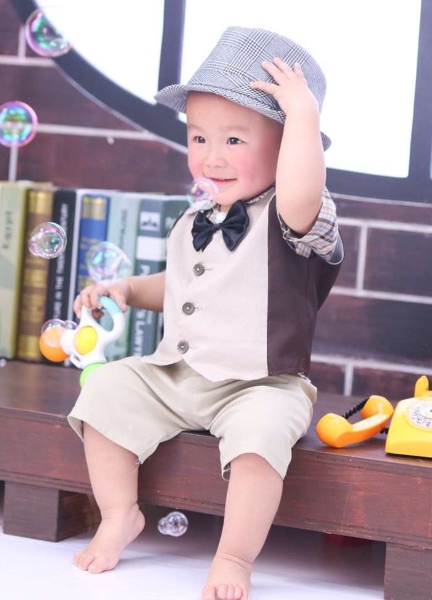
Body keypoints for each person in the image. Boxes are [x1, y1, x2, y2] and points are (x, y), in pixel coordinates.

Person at [67, 26, 343, 600]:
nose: (211, 157)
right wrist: (127, 288)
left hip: (259, 384)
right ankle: (119, 514)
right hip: (179, 375)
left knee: (260, 436)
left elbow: (301, 185)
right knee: (107, 388)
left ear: (288, 146)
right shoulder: (197, 219)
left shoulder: (295, 217)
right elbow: (182, 286)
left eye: (234, 140)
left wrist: (303, 116)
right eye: (198, 137)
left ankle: (234, 555)